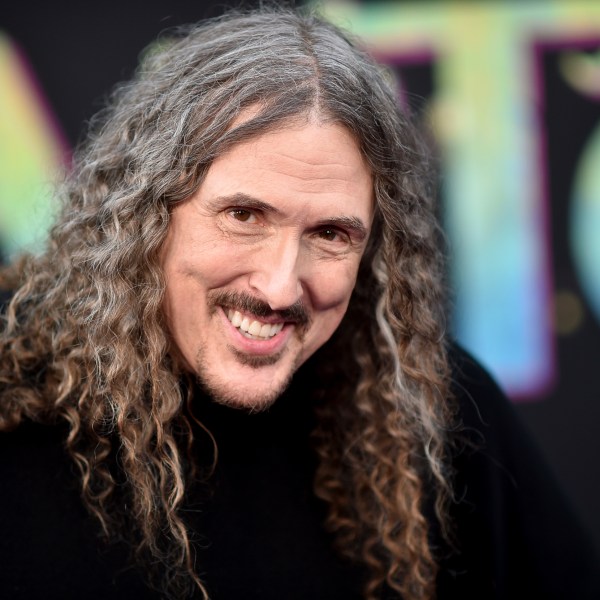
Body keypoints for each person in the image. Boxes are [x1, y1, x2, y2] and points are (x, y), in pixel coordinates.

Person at [0, 6, 598, 600]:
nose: (281, 287)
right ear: (143, 214)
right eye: (243, 216)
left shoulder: (434, 411)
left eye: (331, 235)